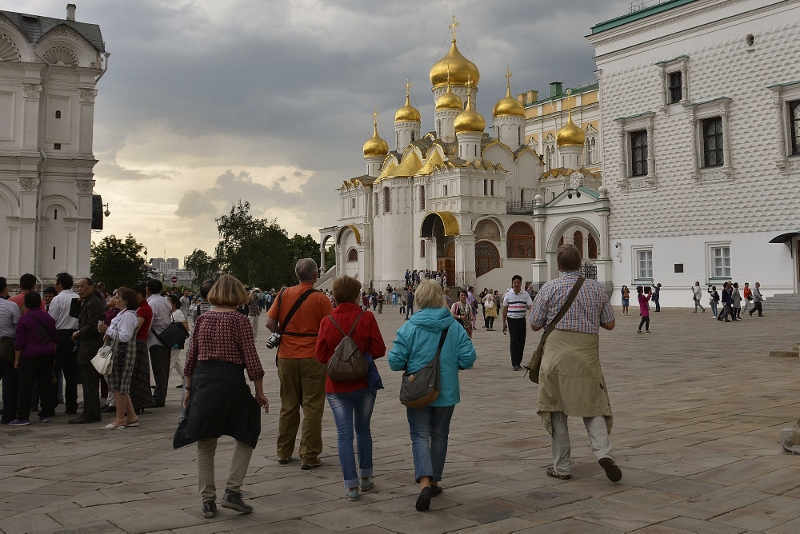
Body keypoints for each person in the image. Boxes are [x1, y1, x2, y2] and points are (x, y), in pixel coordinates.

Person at [176, 275, 269, 519]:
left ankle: (207, 500)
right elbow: (251, 359)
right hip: (230, 381)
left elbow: (191, 357)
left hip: (203, 381)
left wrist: (188, 389)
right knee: (247, 431)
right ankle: (232, 490)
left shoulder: (203, 319)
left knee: (205, 442)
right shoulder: (240, 320)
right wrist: (259, 392)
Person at [529, 244, 621, 483]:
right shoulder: (596, 288)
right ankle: (603, 453)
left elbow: (535, 324)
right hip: (586, 359)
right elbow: (610, 324)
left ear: (558, 265)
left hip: (556, 358)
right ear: (580, 263)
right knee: (593, 405)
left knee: (556, 409)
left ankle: (562, 467)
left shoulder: (549, 287)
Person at [388, 281, 476, 511]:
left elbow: (394, 361)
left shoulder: (409, 327)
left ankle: (424, 483)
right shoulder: (454, 326)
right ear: (440, 298)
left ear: (418, 299)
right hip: (446, 390)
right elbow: (468, 358)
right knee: (440, 435)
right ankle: (434, 480)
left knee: (419, 434)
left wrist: (411, 363)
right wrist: (453, 364)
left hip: (418, 390)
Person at [315, 275, 386, 501]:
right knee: (363, 430)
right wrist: (360, 359)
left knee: (344, 436)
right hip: (363, 383)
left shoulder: (327, 321)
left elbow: (320, 355)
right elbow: (379, 349)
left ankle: (351, 486)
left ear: (335, 296)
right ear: (357, 295)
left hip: (336, 386)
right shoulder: (366, 317)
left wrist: (339, 359)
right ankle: (365, 476)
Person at [265, 258, 332, 470]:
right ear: (315, 276)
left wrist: (285, 333)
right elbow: (329, 328)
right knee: (312, 407)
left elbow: (269, 322)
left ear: (297, 275)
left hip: (287, 355)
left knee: (288, 405)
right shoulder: (321, 299)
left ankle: (284, 451)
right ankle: (309, 455)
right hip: (313, 356)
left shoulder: (284, 294)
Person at [97, 287, 140, 429]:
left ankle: (120, 419)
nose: (115, 300)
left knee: (119, 387)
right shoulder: (123, 314)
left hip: (122, 354)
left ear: (125, 301)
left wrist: (108, 330)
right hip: (119, 353)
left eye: (117, 297)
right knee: (120, 387)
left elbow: (125, 336)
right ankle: (131, 416)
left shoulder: (128, 315)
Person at [11, 292, 56, 425]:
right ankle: (45, 413)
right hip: (47, 353)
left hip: (29, 355)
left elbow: (19, 342)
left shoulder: (24, 319)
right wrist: (53, 356)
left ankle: (23, 416)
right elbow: (54, 338)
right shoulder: (48, 317)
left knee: (25, 386)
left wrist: (17, 359)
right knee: (45, 384)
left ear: (26, 304)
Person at [68, 277, 106, 424]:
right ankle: (93, 412)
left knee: (89, 382)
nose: (79, 289)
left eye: (82, 286)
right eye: (78, 287)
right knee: (89, 382)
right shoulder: (87, 301)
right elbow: (74, 314)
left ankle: (89, 414)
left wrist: (78, 333)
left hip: (90, 347)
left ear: (91, 287)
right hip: (88, 346)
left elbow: (93, 326)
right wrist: (78, 300)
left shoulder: (93, 303)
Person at [48, 272, 79, 416]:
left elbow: (51, 319)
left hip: (59, 335)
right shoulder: (77, 297)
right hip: (75, 335)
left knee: (54, 371)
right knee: (71, 373)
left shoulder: (58, 299)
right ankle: (72, 405)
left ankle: (51, 404)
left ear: (60, 284)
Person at [146, 280, 172, 407]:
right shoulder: (165, 301)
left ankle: (159, 398)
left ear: (148, 289)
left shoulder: (151, 303)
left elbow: (149, 323)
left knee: (159, 370)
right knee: (164, 370)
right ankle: (161, 395)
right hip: (166, 337)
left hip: (156, 340)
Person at [0, 277, 21, 424]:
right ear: (4, 288)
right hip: (7, 346)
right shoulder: (11, 306)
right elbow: (17, 329)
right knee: (9, 382)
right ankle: (8, 414)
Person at [502, 275, 533, 371]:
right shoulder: (508, 295)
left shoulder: (525, 294)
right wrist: (503, 322)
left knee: (521, 341)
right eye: (514, 283)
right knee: (514, 341)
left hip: (521, 320)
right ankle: (515, 363)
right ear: (512, 284)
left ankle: (518, 361)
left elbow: (530, 305)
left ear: (521, 284)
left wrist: (531, 315)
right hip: (511, 320)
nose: (516, 284)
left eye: (518, 282)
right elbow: (504, 309)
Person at [168, 294, 190, 384]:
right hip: (170, 339)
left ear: (173, 303)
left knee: (171, 361)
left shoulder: (178, 312)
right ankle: (185, 379)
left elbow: (184, 323)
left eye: (168, 301)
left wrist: (189, 332)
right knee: (176, 361)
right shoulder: (169, 313)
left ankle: (163, 381)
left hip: (176, 340)